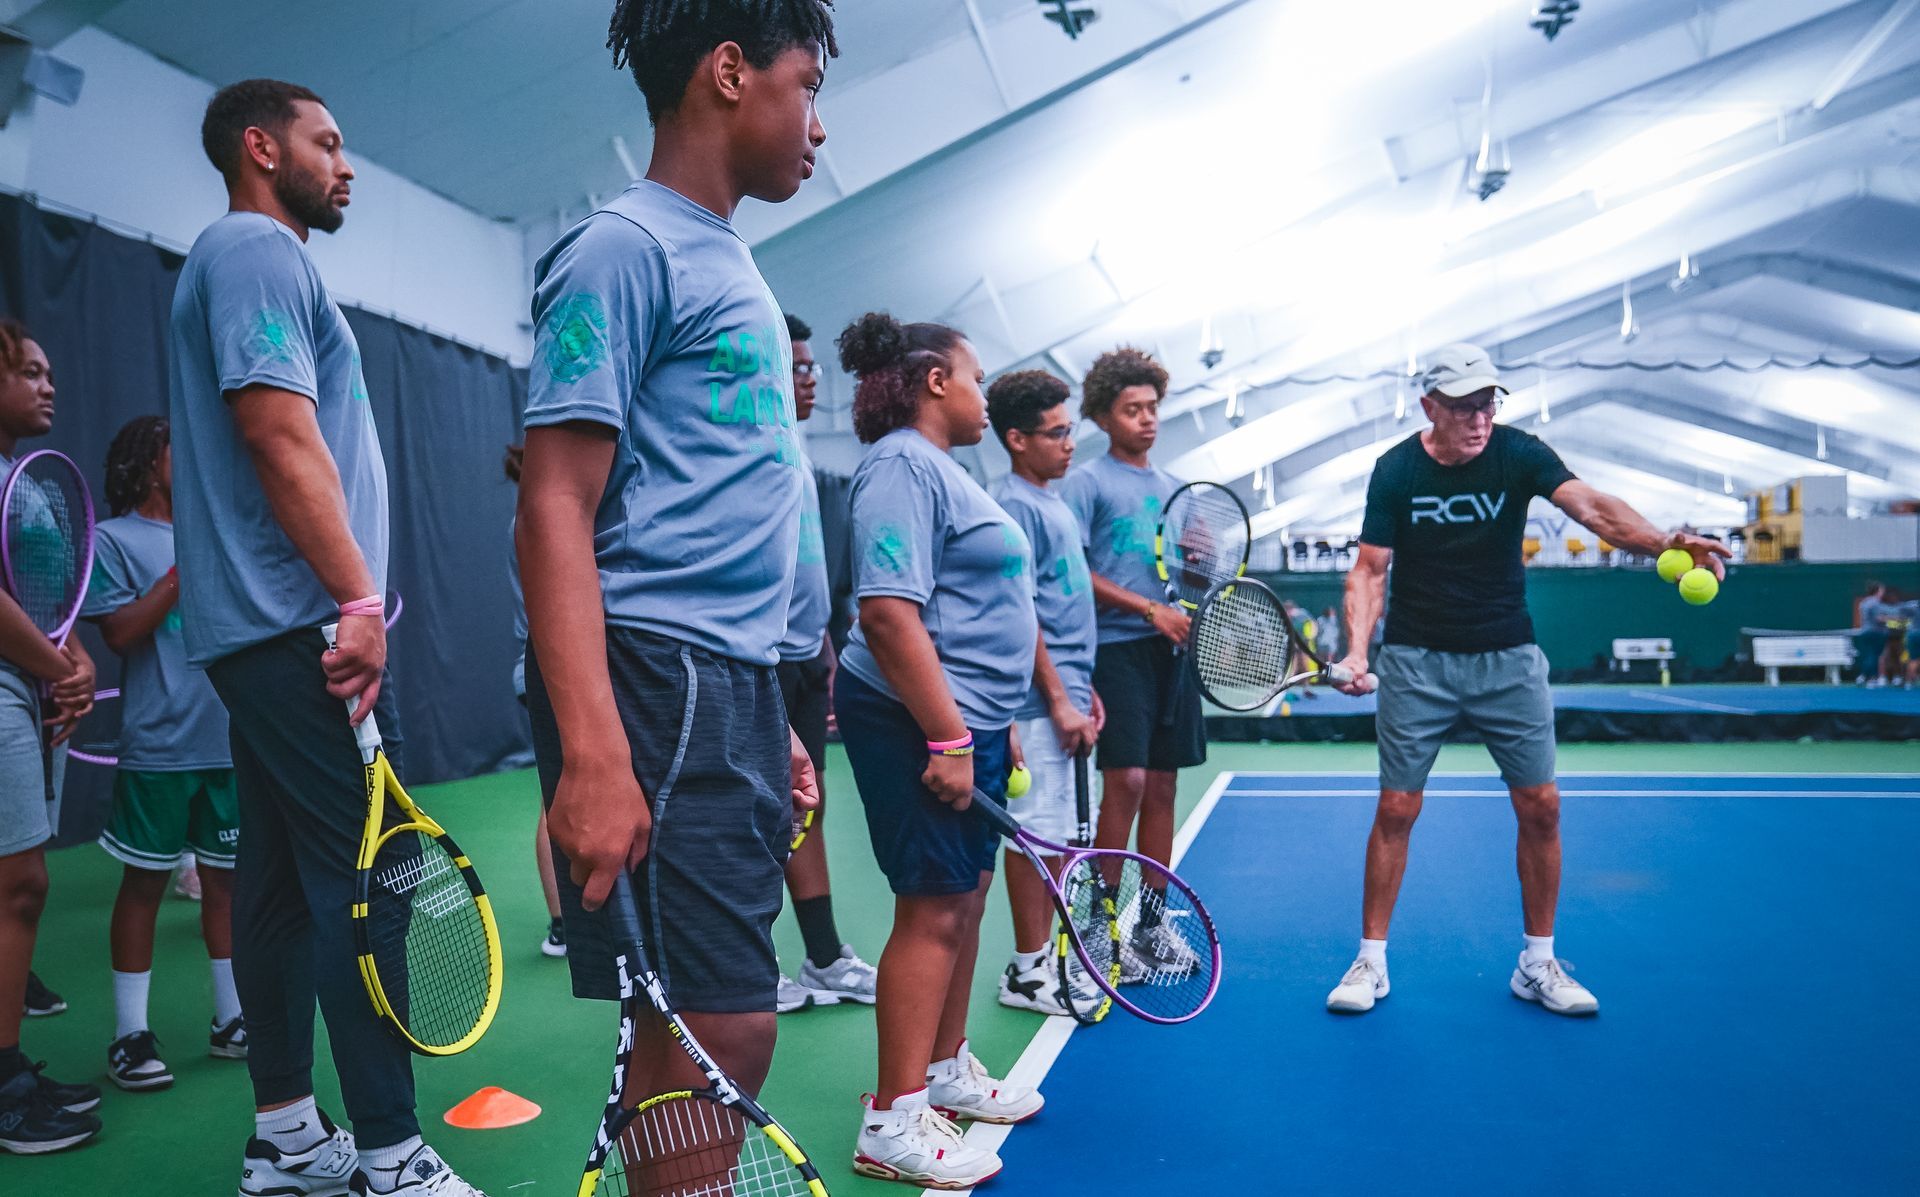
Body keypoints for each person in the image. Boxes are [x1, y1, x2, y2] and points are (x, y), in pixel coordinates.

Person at [517, 4, 834, 1193]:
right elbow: (552, 503)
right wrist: (596, 752)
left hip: (733, 687)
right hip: (662, 679)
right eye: (806, 85)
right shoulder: (623, 249)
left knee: (704, 1021)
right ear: (728, 72)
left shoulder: (725, 255)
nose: (817, 121)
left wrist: (782, 720)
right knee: (721, 1026)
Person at [170, 79, 480, 1194]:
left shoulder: (247, 258)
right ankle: (392, 1152)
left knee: (274, 886)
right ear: (262, 148)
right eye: (328, 144)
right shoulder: (257, 251)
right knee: (368, 881)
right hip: (298, 627)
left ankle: (290, 1138)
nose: (346, 165)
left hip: (261, 631)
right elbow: (275, 431)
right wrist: (356, 599)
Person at [1325, 343, 1729, 1018]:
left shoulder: (1520, 453)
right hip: (1417, 659)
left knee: (1542, 805)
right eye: (1462, 407)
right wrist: (1359, 650)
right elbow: (1369, 569)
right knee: (1397, 808)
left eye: (1487, 402)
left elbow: (1594, 508)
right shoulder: (1395, 470)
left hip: (1507, 655)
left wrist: (1666, 541)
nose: (1479, 418)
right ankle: (1371, 958)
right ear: (1430, 407)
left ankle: (1538, 962)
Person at [834, 313, 1042, 1189]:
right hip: (915, 723)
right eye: (976, 376)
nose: (985, 393)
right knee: (932, 907)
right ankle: (892, 1116)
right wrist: (951, 734)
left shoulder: (942, 472)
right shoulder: (900, 466)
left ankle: (949, 1068)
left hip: (970, 723)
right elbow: (887, 612)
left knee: (965, 898)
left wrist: (995, 718)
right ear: (933, 381)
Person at [82, 416, 246, 1093]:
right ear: (151, 463)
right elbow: (120, 630)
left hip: (226, 743)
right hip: (158, 748)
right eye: (182, 448)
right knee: (144, 885)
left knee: (227, 885)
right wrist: (186, 569)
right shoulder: (113, 539)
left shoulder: (217, 528)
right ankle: (130, 1035)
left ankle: (232, 1018)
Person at [1056, 347, 1205, 974]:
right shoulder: (1085, 483)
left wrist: (1199, 562)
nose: (1146, 420)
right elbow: (1072, 571)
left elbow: (1189, 575)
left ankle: (1148, 926)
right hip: (1115, 650)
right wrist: (1147, 611)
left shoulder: (1177, 491)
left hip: (1170, 651)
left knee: (1165, 786)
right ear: (1102, 416)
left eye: (1152, 408)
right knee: (1130, 782)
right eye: (1131, 409)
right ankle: (1100, 922)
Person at [0, 317, 103, 1155]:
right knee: (18, 882)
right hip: (9, 684)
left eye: (50, 370)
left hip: (27, 684)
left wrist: (71, 658)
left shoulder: (23, 478)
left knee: (19, 883)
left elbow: (47, 587)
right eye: (28, 371)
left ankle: (8, 1067)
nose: (48, 384)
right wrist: (55, 665)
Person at [984, 369, 1103, 1017]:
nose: (1068, 444)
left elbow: (1067, 608)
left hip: (1070, 693)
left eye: (1069, 430)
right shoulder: (1013, 506)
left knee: (1062, 839)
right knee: (1036, 839)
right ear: (1016, 439)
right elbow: (1020, 611)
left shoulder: (1052, 502)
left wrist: (1084, 689)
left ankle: (1048, 961)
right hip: (1034, 706)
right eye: (1056, 433)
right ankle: (1028, 970)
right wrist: (1056, 697)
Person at [776, 312, 877, 1012]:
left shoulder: (798, 446)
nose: (811, 379)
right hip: (755, 659)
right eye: (800, 366)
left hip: (808, 650)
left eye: (814, 367)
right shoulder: (744, 441)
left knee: (805, 807)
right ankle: (749, 964)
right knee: (755, 813)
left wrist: (826, 639)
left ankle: (822, 956)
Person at [503, 443, 566, 958]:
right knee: (557, 799)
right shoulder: (538, 521)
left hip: (549, 671)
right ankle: (563, 925)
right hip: (548, 672)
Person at [1853, 582, 1895, 687]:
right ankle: (1872, 678)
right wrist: (1893, 619)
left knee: (1870, 655)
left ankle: (1862, 676)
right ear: (1877, 591)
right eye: (1881, 590)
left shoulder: (1864, 602)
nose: (1883, 592)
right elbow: (1879, 618)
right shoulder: (1875, 603)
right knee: (1875, 655)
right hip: (1876, 632)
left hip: (1866, 631)